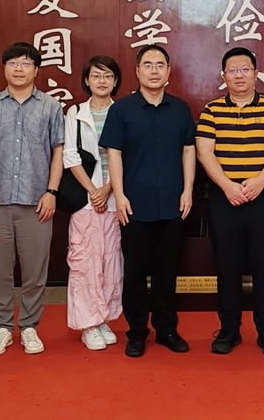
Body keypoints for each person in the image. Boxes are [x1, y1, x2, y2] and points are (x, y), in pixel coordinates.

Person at [99, 44, 196, 358]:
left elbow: (189, 150)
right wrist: (119, 194)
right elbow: (114, 154)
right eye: (148, 65)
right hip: (134, 204)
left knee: (168, 271)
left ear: (168, 72)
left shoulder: (180, 109)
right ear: (137, 71)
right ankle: (137, 332)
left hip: (172, 202)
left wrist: (188, 190)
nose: (154, 71)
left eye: (160, 65)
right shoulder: (121, 110)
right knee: (136, 272)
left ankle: (167, 329)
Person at [196, 47, 264, 356]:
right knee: (227, 267)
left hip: (263, 197)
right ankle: (229, 330)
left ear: (255, 73)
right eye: (233, 70)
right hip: (225, 198)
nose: (239, 75)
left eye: (245, 69)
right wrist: (227, 186)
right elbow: (204, 152)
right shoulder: (211, 110)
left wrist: (259, 182)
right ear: (223, 76)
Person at [0, 42, 64, 357]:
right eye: (13, 63)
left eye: (25, 63)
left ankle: (28, 327)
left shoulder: (50, 106)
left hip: (37, 201)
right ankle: (1, 328)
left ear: (36, 69)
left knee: (35, 271)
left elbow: (58, 151)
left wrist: (51, 192)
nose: (19, 69)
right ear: (4, 68)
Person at [64, 55, 123, 351]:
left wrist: (109, 188)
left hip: (116, 199)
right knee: (85, 261)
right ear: (87, 80)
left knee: (110, 261)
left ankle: (104, 319)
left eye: (108, 76)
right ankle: (88, 324)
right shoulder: (75, 113)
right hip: (86, 200)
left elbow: (127, 154)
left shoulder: (122, 111)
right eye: (96, 75)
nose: (102, 81)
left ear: (115, 81)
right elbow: (70, 156)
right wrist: (93, 191)